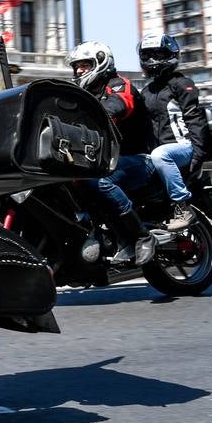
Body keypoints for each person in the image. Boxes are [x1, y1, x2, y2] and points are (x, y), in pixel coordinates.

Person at [67, 40, 157, 265]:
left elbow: (117, 106)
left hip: (140, 159)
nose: (79, 70)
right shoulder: (85, 95)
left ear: (100, 61)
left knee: (99, 182)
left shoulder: (118, 84)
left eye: (85, 65)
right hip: (107, 161)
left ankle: (141, 237)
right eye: (76, 66)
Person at [138, 33, 207, 231]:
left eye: (158, 55)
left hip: (184, 147)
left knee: (161, 155)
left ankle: (183, 207)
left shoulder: (182, 84)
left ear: (170, 55)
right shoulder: (147, 91)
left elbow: (195, 119)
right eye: (148, 55)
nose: (152, 60)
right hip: (158, 152)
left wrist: (198, 155)